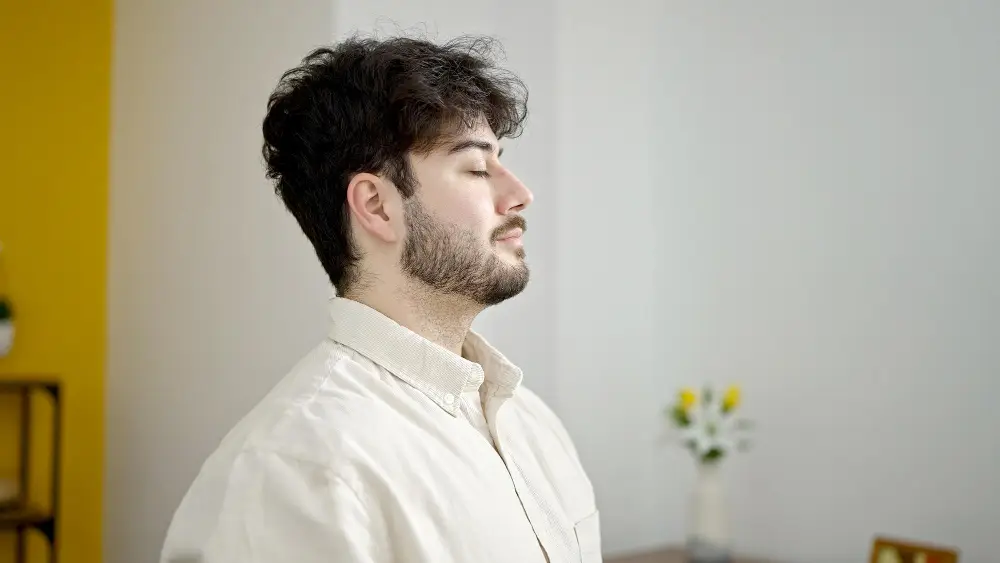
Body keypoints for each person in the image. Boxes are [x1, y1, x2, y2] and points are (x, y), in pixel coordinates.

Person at [160, 34, 601, 563]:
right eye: (478, 168)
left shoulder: (534, 427)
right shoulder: (294, 472)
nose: (519, 194)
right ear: (377, 205)